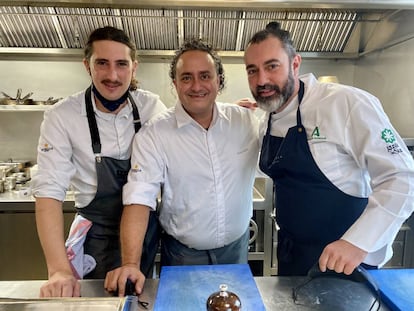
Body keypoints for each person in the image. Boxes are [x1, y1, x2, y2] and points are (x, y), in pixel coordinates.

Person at [243, 21, 414, 276]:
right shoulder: (266, 120)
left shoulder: (346, 103)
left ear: (295, 64)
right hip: (293, 257)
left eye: (272, 66)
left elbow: (403, 177)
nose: (262, 80)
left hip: (347, 263)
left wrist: (357, 242)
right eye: (252, 70)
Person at [104, 38, 259, 296]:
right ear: (175, 84)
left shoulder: (245, 122)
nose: (196, 86)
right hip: (182, 256)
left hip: (236, 250)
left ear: (218, 80)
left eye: (205, 76)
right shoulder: (155, 133)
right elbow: (139, 198)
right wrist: (131, 263)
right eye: (186, 77)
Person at [31, 26, 166, 297]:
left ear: (134, 67)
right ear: (87, 65)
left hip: (144, 231)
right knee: (95, 300)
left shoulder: (151, 108)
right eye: (102, 63)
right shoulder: (63, 116)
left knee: (141, 297)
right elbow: (48, 192)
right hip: (96, 235)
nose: (112, 75)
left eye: (121, 64)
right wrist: (58, 270)